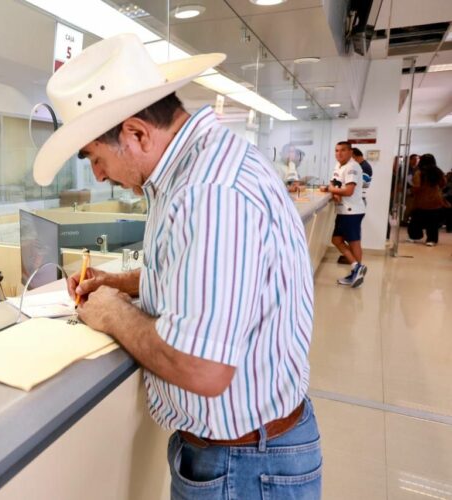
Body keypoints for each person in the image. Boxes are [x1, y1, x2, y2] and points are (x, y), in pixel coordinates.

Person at [33, 34, 321, 499]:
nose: (99, 175)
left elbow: (202, 368)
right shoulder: (202, 168)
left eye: (95, 158)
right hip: (242, 456)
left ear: (136, 133)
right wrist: (120, 282)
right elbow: (201, 277)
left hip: (245, 466)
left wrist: (114, 312)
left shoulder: (208, 193)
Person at [321, 141, 367, 287]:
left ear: (350, 152)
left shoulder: (352, 167)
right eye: (336, 150)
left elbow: (348, 191)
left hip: (352, 211)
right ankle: (357, 268)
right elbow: (334, 183)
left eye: (342, 150)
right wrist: (334, 191)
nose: (339, 153)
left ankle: (357, 271)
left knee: (354, 242)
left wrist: (331, 190)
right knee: (336, 240)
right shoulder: (339, 165)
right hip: (344, 210)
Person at [407, 154, 447, 246]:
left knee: (415, 220)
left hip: (422, 201)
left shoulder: (419, 173)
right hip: (436, 201)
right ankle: (431, 240)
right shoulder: (438, 172)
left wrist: (411, 191)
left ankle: (415, 236)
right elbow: (443, 183)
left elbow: (416, 186)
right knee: (433, 222)